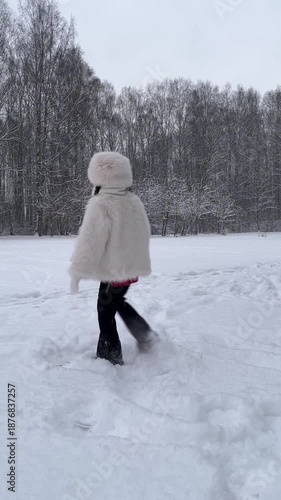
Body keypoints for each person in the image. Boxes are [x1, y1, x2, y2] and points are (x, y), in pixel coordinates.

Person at [69, 151, 158, 365]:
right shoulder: (132, 200)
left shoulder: (102, 203)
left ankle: (110, 355)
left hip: (114, 270)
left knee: (105, 310)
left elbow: (91, 241)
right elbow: (143, 232)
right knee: (115, 303)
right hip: (128, 268)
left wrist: (78, 270)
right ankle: (146, 337)